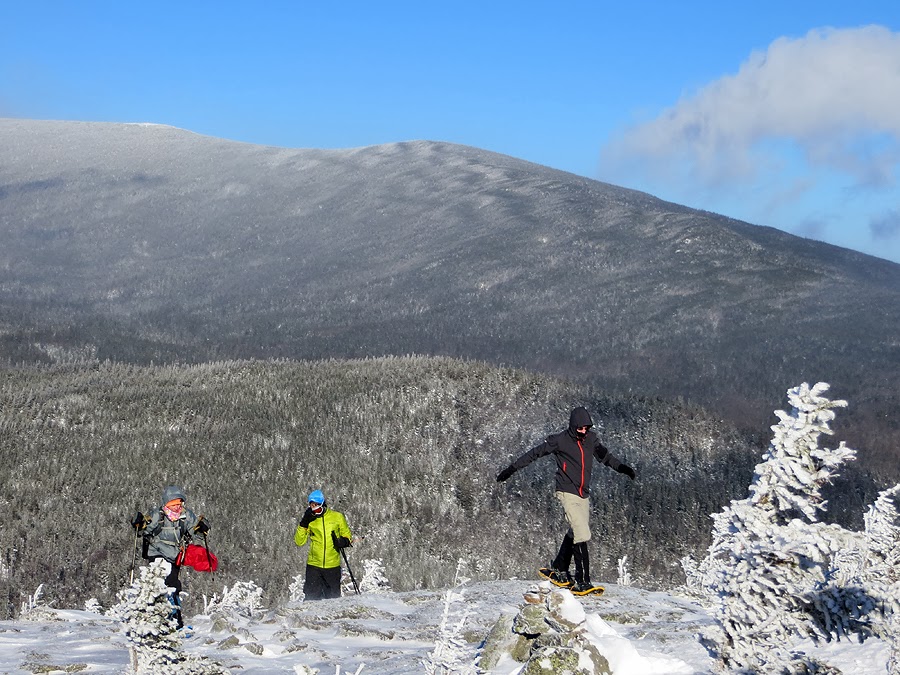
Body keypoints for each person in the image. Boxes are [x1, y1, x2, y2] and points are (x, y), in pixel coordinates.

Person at [496, 406, 636, 594]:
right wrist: (511, 470)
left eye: (587, 428)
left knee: (575, 531)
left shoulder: (591, 440)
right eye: (580, 428)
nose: (584, 431)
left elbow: (605, 457)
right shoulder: (560, 441)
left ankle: (559, 569)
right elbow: (534, 453)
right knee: (581, 533)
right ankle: (582, 581)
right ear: (573, 426)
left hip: (583, 493)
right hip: (566, 491)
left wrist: (623, 468)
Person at [131, 485, 210, 628]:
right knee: (166, 584)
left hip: (175, 555)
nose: (176, 507)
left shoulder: (186, 515)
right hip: (157, 552)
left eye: (179, 503)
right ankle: (169, 621)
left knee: (172, 585)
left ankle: (171, 620)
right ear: (166, 503)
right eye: (173, 504)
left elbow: (195, 530)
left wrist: (202, 528)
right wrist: (139, 524)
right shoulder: (157, 515)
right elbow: (144, 529)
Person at [294, 489, 353, 600]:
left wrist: (343, 541)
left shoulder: (337, 517)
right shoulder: (309, 519)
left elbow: (348, 536)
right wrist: (304, 523)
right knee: (311, 599)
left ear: (322, 504)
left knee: (333, 599)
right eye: (312, 505)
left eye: (317, 505)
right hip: (314, 566)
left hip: (332, 566)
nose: (314, 509)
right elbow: (299, 541)